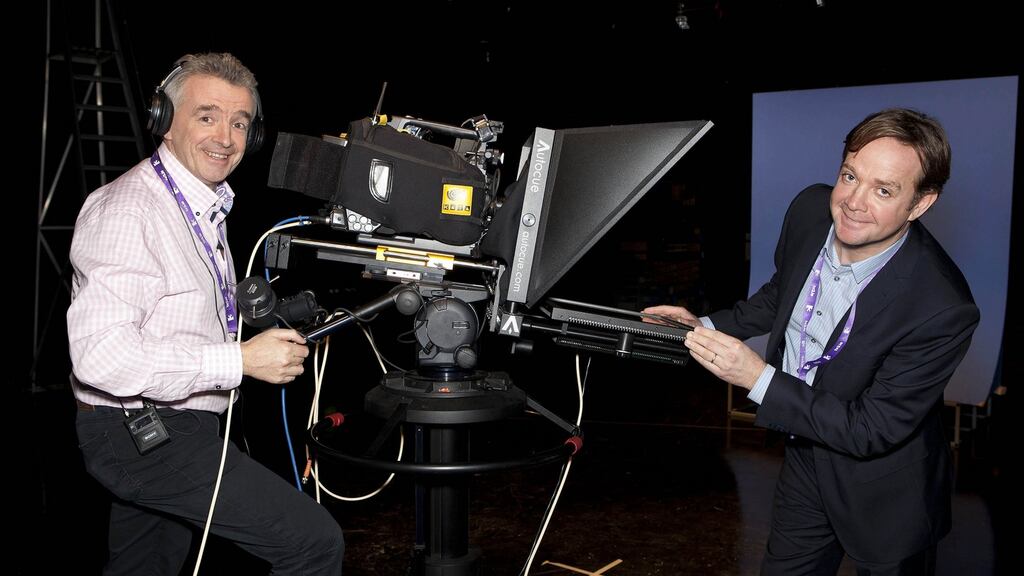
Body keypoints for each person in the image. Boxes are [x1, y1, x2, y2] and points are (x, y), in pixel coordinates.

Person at [646, 108, 978, 575]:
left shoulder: (943, 307)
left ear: (920, 204)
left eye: (884, 190)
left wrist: (756, 376)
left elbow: (870, 429)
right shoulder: (810, 210)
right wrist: (703, 325)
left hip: (886, 494)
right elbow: (783, 294)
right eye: (849, 176)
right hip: (805, 459)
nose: (853, 202)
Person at [67, 52, 344, 575]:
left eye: (239, 123)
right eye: (207, 116)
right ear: (163, 122)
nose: (225, 137)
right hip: (139, 429)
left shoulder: (200, 204)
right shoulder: (131, 210)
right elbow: (101, 357)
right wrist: (238, 360)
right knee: (312, 544)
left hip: (166, 424)